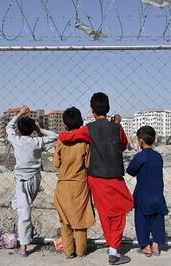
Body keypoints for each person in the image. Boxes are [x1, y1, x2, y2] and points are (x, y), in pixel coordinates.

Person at [59, 92, 133, 265]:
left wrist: (59, 134)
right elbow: (123, 145)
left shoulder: (88, 129)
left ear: (92, 110)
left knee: (105, 213)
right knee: (120, 212)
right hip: (114, 177)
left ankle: (112, 247)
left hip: (96, 179)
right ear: (108, 109)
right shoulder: (117, 128)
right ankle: (114, 250)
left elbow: (66, 136)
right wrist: (117, 124)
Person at [6, 105, 58, 257]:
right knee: (20, 205)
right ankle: (29, 231)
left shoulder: (16, 140)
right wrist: (40, 130)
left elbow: (9, 127)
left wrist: (19, 114)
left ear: (19, 130)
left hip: (22, 181)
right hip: (35, 178)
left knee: (24, 212)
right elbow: (55, 136)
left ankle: (23, 248)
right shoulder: (37, 142)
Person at [53, 107, 95, 259]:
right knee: (80, 220)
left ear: (65, 123)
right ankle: (81, 251)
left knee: (65, 221)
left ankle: (68, 251)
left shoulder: (61, 140)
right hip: (80, 185)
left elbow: (56, 164)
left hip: (63, 185)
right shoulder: (84, 141)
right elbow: (88, 163)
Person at [126, 126, 168, 256]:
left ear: (141, 141)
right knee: (157, 219)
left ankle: (145, 246)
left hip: (143, 194)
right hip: (157, 194)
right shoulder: (158, 157)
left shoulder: (140, 156)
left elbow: (130, 171)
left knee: (142, 220)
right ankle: (156, 245)